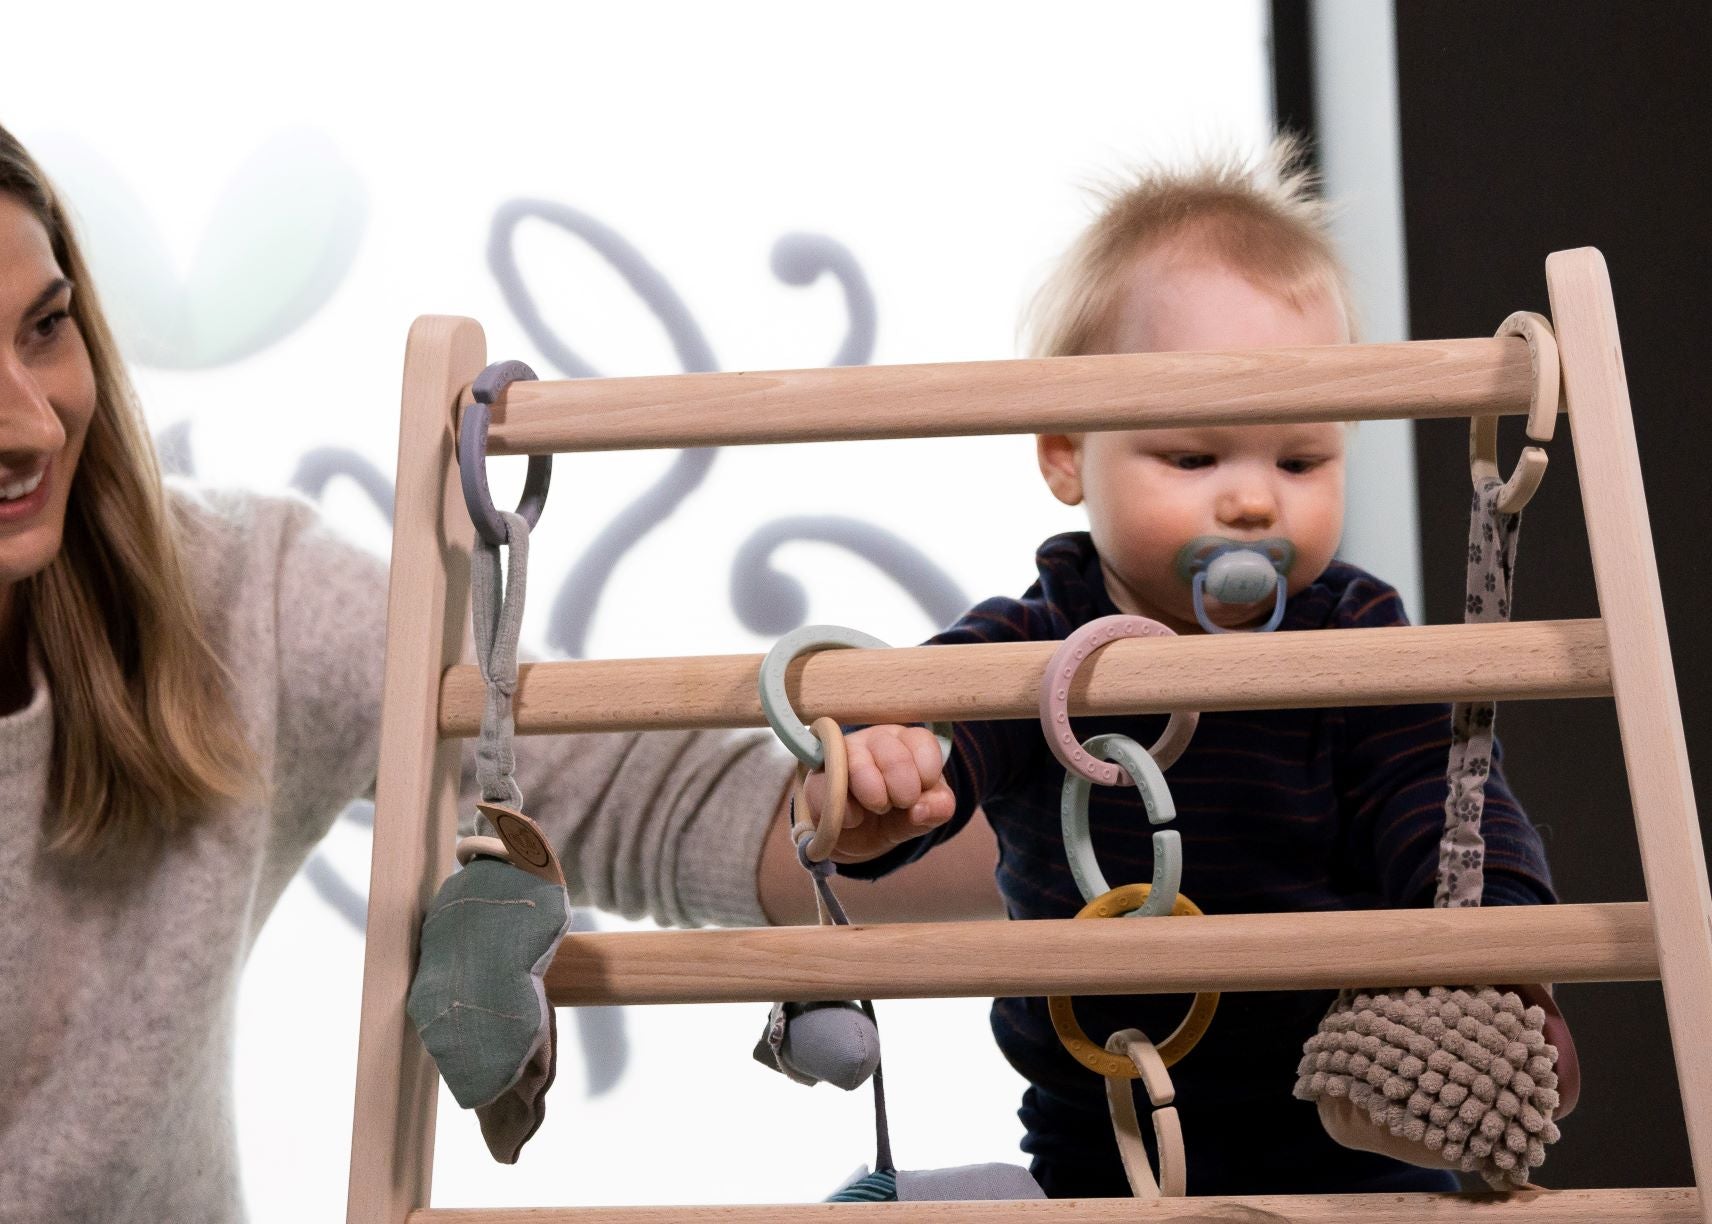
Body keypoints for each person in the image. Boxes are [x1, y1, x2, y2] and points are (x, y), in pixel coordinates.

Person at [0, 123, 1003, 1222]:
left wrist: (908, 804)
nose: (31, 422)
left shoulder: (237, 606)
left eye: (45, 329)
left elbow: (641, 798)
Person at [802, 138, 1557, 1196]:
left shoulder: (1353, 635)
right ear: (1067, 453)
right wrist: (891, 776)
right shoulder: (1038, 639)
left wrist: (1499, 954)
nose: (1253, 501)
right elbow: (940, 730)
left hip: (1359, 1120)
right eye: (1194, 458)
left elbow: (1442, 806)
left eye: (1300, 459)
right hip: (1098, 1141)